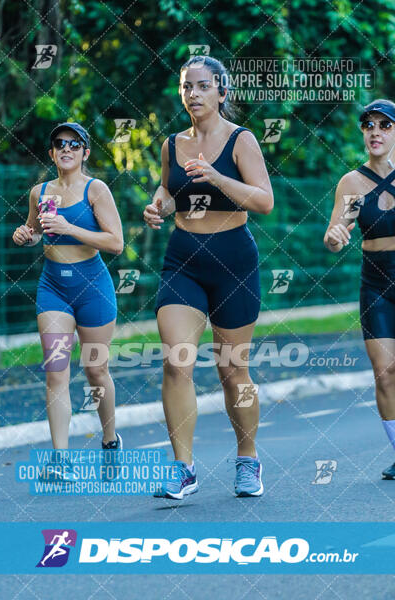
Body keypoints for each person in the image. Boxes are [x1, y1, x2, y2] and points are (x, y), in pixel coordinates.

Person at [143, 56, 274, 498]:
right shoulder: (171, 144)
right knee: (177, 361)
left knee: (232, 369)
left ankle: (248, 459)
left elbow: (263, 201)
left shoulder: (241, 140)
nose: (193, 94)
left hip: (233, 261)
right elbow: (168, 189)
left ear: (222, 91)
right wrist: (158, 205)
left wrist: (218, 177)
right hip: (184, 260)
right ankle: (183, 468)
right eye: (186, 87)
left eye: (202, 86)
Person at [12, 122, 124, 479]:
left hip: (92, 287)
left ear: (85, 153)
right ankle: (62, 461)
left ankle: (110, 440)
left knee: (95, 369)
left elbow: (116, 243)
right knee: (56, 373)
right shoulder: (40, 191)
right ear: (51, 153)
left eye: (74, 144)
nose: (66, 149)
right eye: (59, 144)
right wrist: (25, 235)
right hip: (53, 289)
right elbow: (36, 232)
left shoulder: (96, 189)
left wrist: (70, 228)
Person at [324, 99, 395, 480]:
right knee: (385, 372)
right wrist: (335, 237)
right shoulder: (353, 184)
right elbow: (337, 236)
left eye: (385, 125)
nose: (376, 132)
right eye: (369, 125)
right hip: (376, 283)